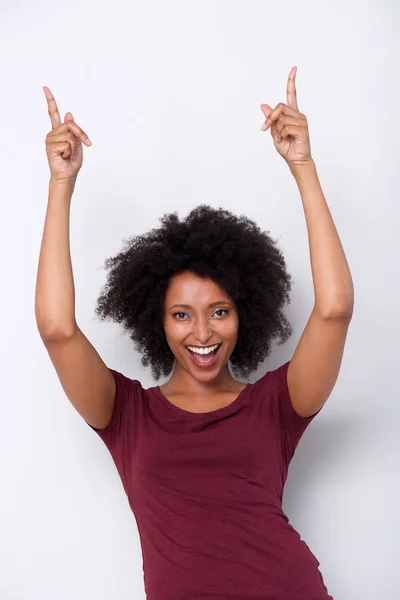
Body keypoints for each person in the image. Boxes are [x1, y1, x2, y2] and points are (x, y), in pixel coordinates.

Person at [36, 67, 353, 600]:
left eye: (219, 311)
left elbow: (336, 308)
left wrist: (302, 166)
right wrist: (61, 183)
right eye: (181, 314)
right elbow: (57, 330)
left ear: (244, 315)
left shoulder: (277, 404)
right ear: (155, 321)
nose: (201, 331)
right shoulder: (126, 414)